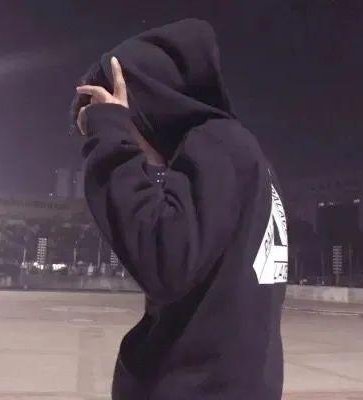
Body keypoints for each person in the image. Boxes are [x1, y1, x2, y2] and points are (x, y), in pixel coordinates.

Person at [70, 18, 288, 400]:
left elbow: (163, 261)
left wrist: (109, 136)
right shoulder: (242, 155)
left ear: (144, 106)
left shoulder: (214, 142)